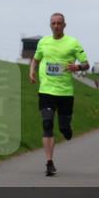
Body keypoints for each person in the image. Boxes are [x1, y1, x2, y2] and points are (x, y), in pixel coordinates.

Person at [29, 13, 89, 176]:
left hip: (65, 93)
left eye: (59, 23)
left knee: (63, 127)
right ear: (50, 25)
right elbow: (36, 59)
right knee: (47, 124)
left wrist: (77, 68)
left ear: (64, 25)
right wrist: (32, 71)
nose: (56, 26)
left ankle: (66, 128)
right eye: (53, 23)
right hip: (46, 90)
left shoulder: (72, 43)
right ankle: (49, 162)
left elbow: (86, 64)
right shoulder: (43, 42)